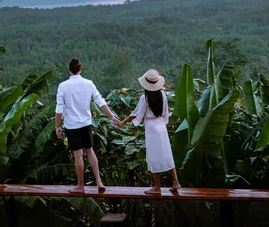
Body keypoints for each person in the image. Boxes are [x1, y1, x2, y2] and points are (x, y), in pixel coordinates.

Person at [55, 58, 120, 193]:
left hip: (72, 125)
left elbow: (59, 109)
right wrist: (112, 116)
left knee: (78, 156)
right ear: (80, 69)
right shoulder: (88, 83)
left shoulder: (63, 86)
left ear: (69, 70)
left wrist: (57, 126)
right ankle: (99, 181)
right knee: (90, 151)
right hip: (86, 124)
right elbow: (100, 101)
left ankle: (80, 186)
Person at [118, 69, 181, 194]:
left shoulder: (145, 97)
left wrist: (122, 122)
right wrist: (163, 122)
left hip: (151, 127)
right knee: (167, 154)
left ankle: (157, 186)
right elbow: (166, 112)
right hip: (161, 126)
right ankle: (175, 181)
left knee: (154, 156)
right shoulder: (163, 94)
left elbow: (136, 114)